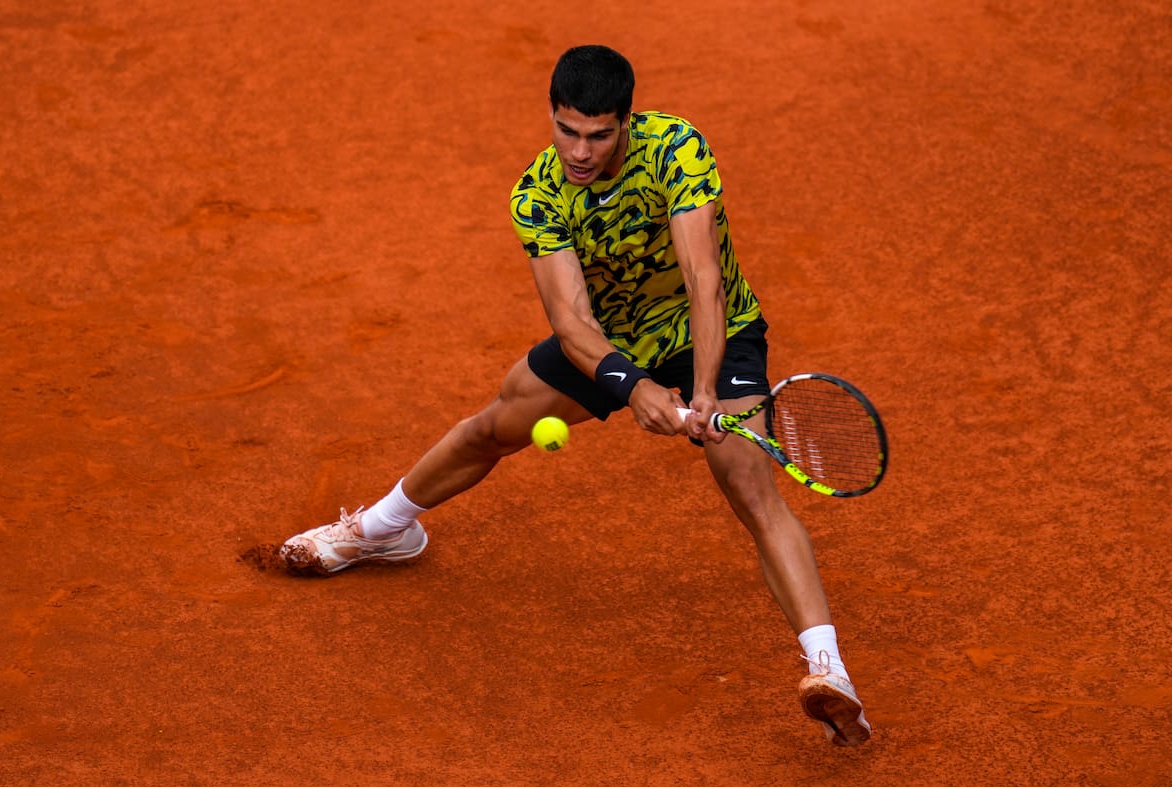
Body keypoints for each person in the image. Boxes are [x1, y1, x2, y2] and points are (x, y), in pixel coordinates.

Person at [278, 44, 871, 747]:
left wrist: (704, 386)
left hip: (716, 330)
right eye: (567, 131)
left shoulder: (675, 148)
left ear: (627, 122)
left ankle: (831, 674)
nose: (580, 151)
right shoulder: (538, 195)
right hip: (611, 341)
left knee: (748, 483)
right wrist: (635, 385)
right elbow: (570, 322)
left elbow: (702, 275)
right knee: (494, 427)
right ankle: (381, 531)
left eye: (598, 134)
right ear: (553, 119)